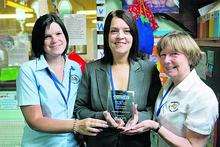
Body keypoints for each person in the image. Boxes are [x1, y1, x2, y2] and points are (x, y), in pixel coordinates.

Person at [16, 13, 108, 147]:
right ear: (39, 41)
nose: (55, 40)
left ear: (65, 35)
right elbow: (34, 120)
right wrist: (76, 125)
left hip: (73, 144)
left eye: (58, 34)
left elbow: (81, 104)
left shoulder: (76, 68)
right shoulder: (28, 70)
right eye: (47, 36)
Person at [74, 9, 161, 147]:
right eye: (114, 31)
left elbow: (156, 108)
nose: (120, 36)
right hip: (100, 142)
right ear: (107, 36)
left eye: (126, 31)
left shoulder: (149, 69)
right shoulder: (91, 69)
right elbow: (78, 108)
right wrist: (102, 116)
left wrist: (138, 118)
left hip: (137, 142)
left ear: (133, 36)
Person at [124, 31, 219, 147]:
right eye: (163, 55)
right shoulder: (170, 84)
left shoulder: (202, 96)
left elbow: (193, 145)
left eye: (174, 54)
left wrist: (156, 127)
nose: (166, 61)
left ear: (190, 57)